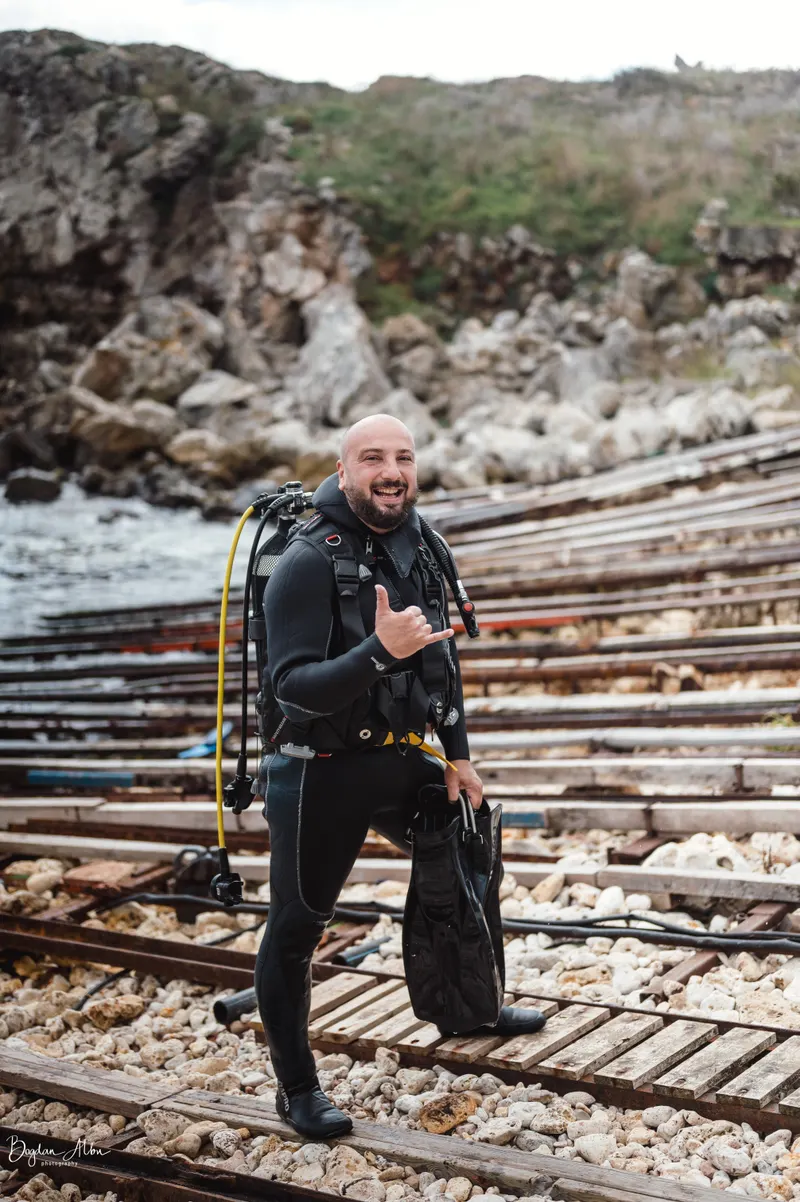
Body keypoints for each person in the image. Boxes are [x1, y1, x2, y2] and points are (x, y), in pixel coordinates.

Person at [255, 414, 546, 1139]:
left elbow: (443, 663)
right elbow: (292, 690)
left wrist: (459, 753)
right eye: (374, 458)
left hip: (393, 757)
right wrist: (377, 654)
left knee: (468, 843)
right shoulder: (306, 563)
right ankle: (297, 1091)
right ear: (343, 469)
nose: (392, 471)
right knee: (295, 930)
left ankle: (467, 1002)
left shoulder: (423, 546)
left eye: (404, 457)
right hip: (314, 771)